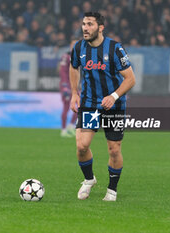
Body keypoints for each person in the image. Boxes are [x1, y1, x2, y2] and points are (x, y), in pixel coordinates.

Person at [69, 12, 136, 201]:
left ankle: (112, 190)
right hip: (90, 104)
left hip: (113, 106)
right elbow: (74, 67)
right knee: (82, 146)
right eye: (83, 23)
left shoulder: (115, 49)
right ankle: (89, 179)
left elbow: (130, 79)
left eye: (90, 24)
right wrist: (75, 93)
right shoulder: (78, 48)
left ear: (100, 27)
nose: (85, 28)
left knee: (114, 149)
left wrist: (114, 96)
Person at [59, 40, 78, 137]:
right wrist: (65, 86)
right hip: (66, 85)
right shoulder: (66, 57)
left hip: (75, 86)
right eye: (73, 44)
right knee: (66, 107)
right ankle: (63, 130)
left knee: (80, 106)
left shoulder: (80, 57)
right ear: (70, 46)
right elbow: (63, 72)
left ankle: (71, 125)